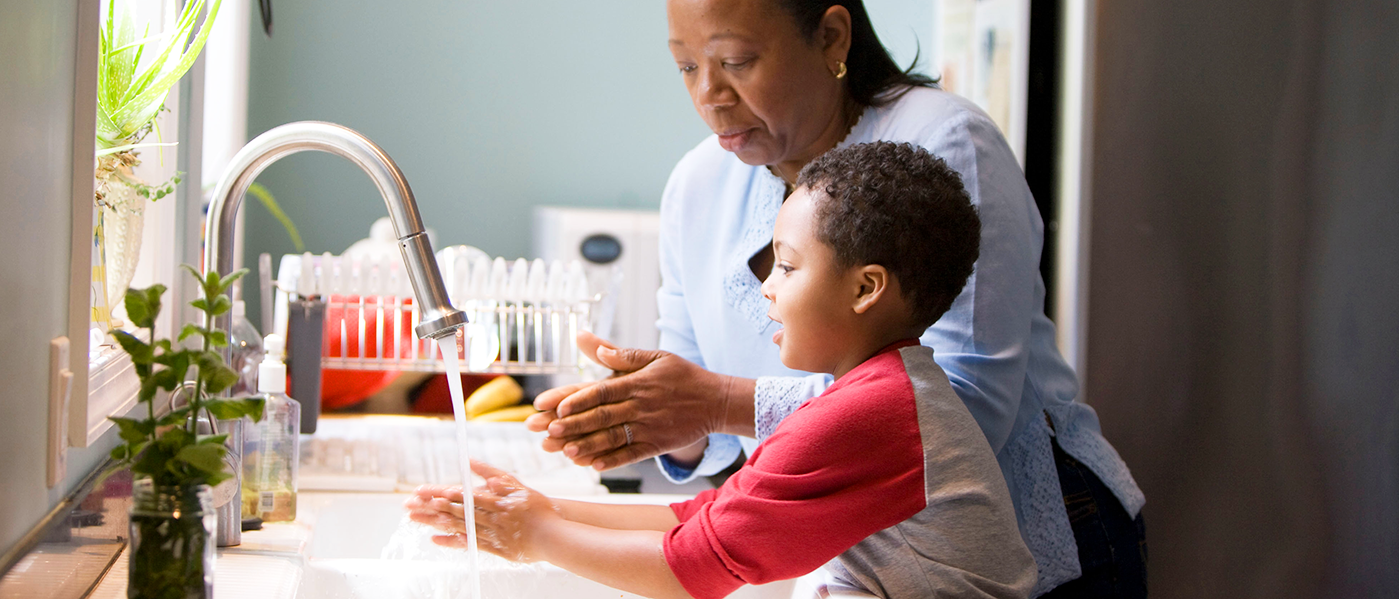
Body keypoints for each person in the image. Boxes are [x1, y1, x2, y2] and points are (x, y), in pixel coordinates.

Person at [530, 0, 1147, 596]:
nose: (708, 95)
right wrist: (644, 414)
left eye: (736, 61)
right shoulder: (696, 184)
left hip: (1036, 546)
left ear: (831, 38)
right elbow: (708, 438)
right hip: (855, 559)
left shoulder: (945, 141)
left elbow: (964, 411)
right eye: (687, 66)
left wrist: (718, 402)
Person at [407, 142, 1037, 599]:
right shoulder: (880, 392)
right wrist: (548, 511)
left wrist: (535, 536)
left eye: (787, 267)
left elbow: (690, 571)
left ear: (866, 288)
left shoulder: (873, 414)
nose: (766, 285)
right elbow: (701, 519)